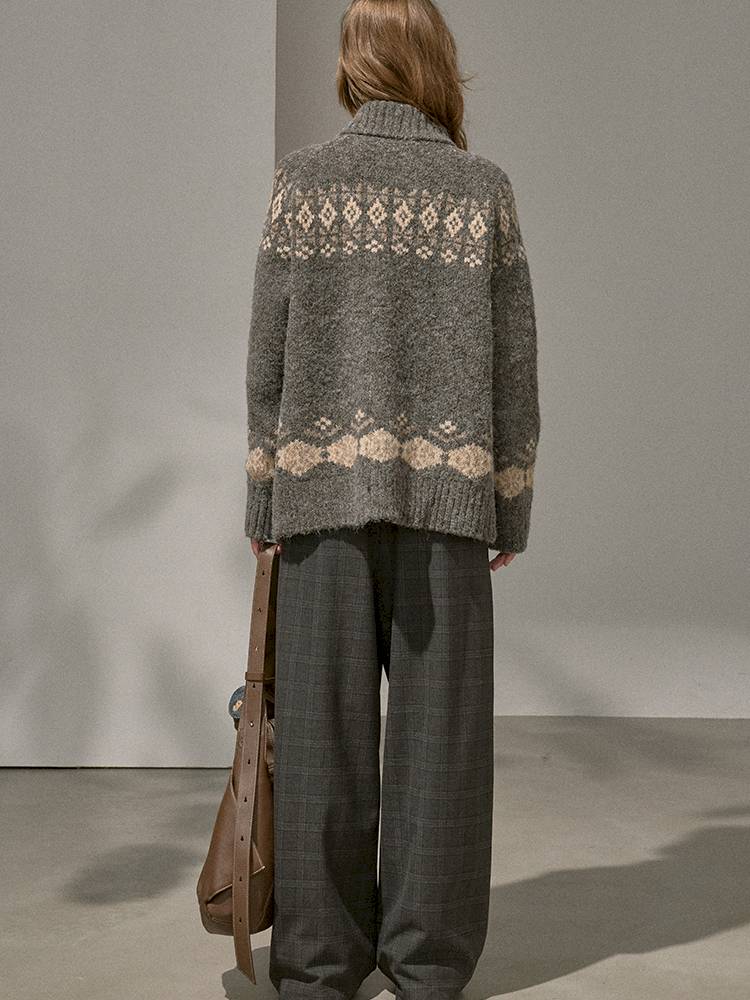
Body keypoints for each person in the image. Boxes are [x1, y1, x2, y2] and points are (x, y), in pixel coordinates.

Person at [244, 2, 540, 998]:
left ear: (354, 64)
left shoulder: (303, 183)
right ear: (435, 62)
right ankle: (427, 963)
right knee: (439, 748)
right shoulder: (482, 190)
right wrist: (508, 501)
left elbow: (268, 359)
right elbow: (514, 365)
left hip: (320, 506)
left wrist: (265, 499)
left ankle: (318, 964)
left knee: (320, 743)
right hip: (448, 511)